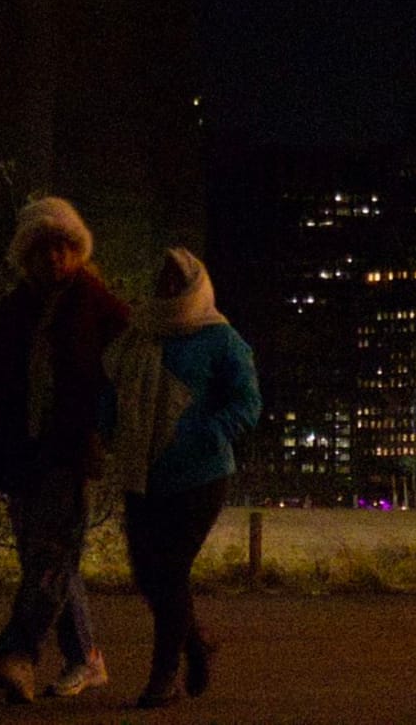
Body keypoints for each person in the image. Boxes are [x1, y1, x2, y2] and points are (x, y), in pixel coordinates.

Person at [0, 196, 130, 703]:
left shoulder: (98, 306)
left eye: (65, 248)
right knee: (47, 563)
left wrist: (102, 433)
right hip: (21, 453)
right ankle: (85, 657)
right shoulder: (14, 311)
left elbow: (124, 373)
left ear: (78, 250)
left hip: (67, 451)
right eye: (44, 250)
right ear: (28, 255)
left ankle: (18, 656)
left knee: (51, 559)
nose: (55, 259)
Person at [104, 248, 260, 708]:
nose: (168, 287)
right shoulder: (140, 334)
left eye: (178, 280)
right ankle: (197, 644)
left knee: (169, 571)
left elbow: (247, 403)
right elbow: (114, 386)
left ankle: (164, 673)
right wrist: (109, 427)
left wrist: (208, 432)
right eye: (163, 278)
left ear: (195, 285)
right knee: (149, 575)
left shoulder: (220, 338)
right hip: (144, 472)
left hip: (200, 476)